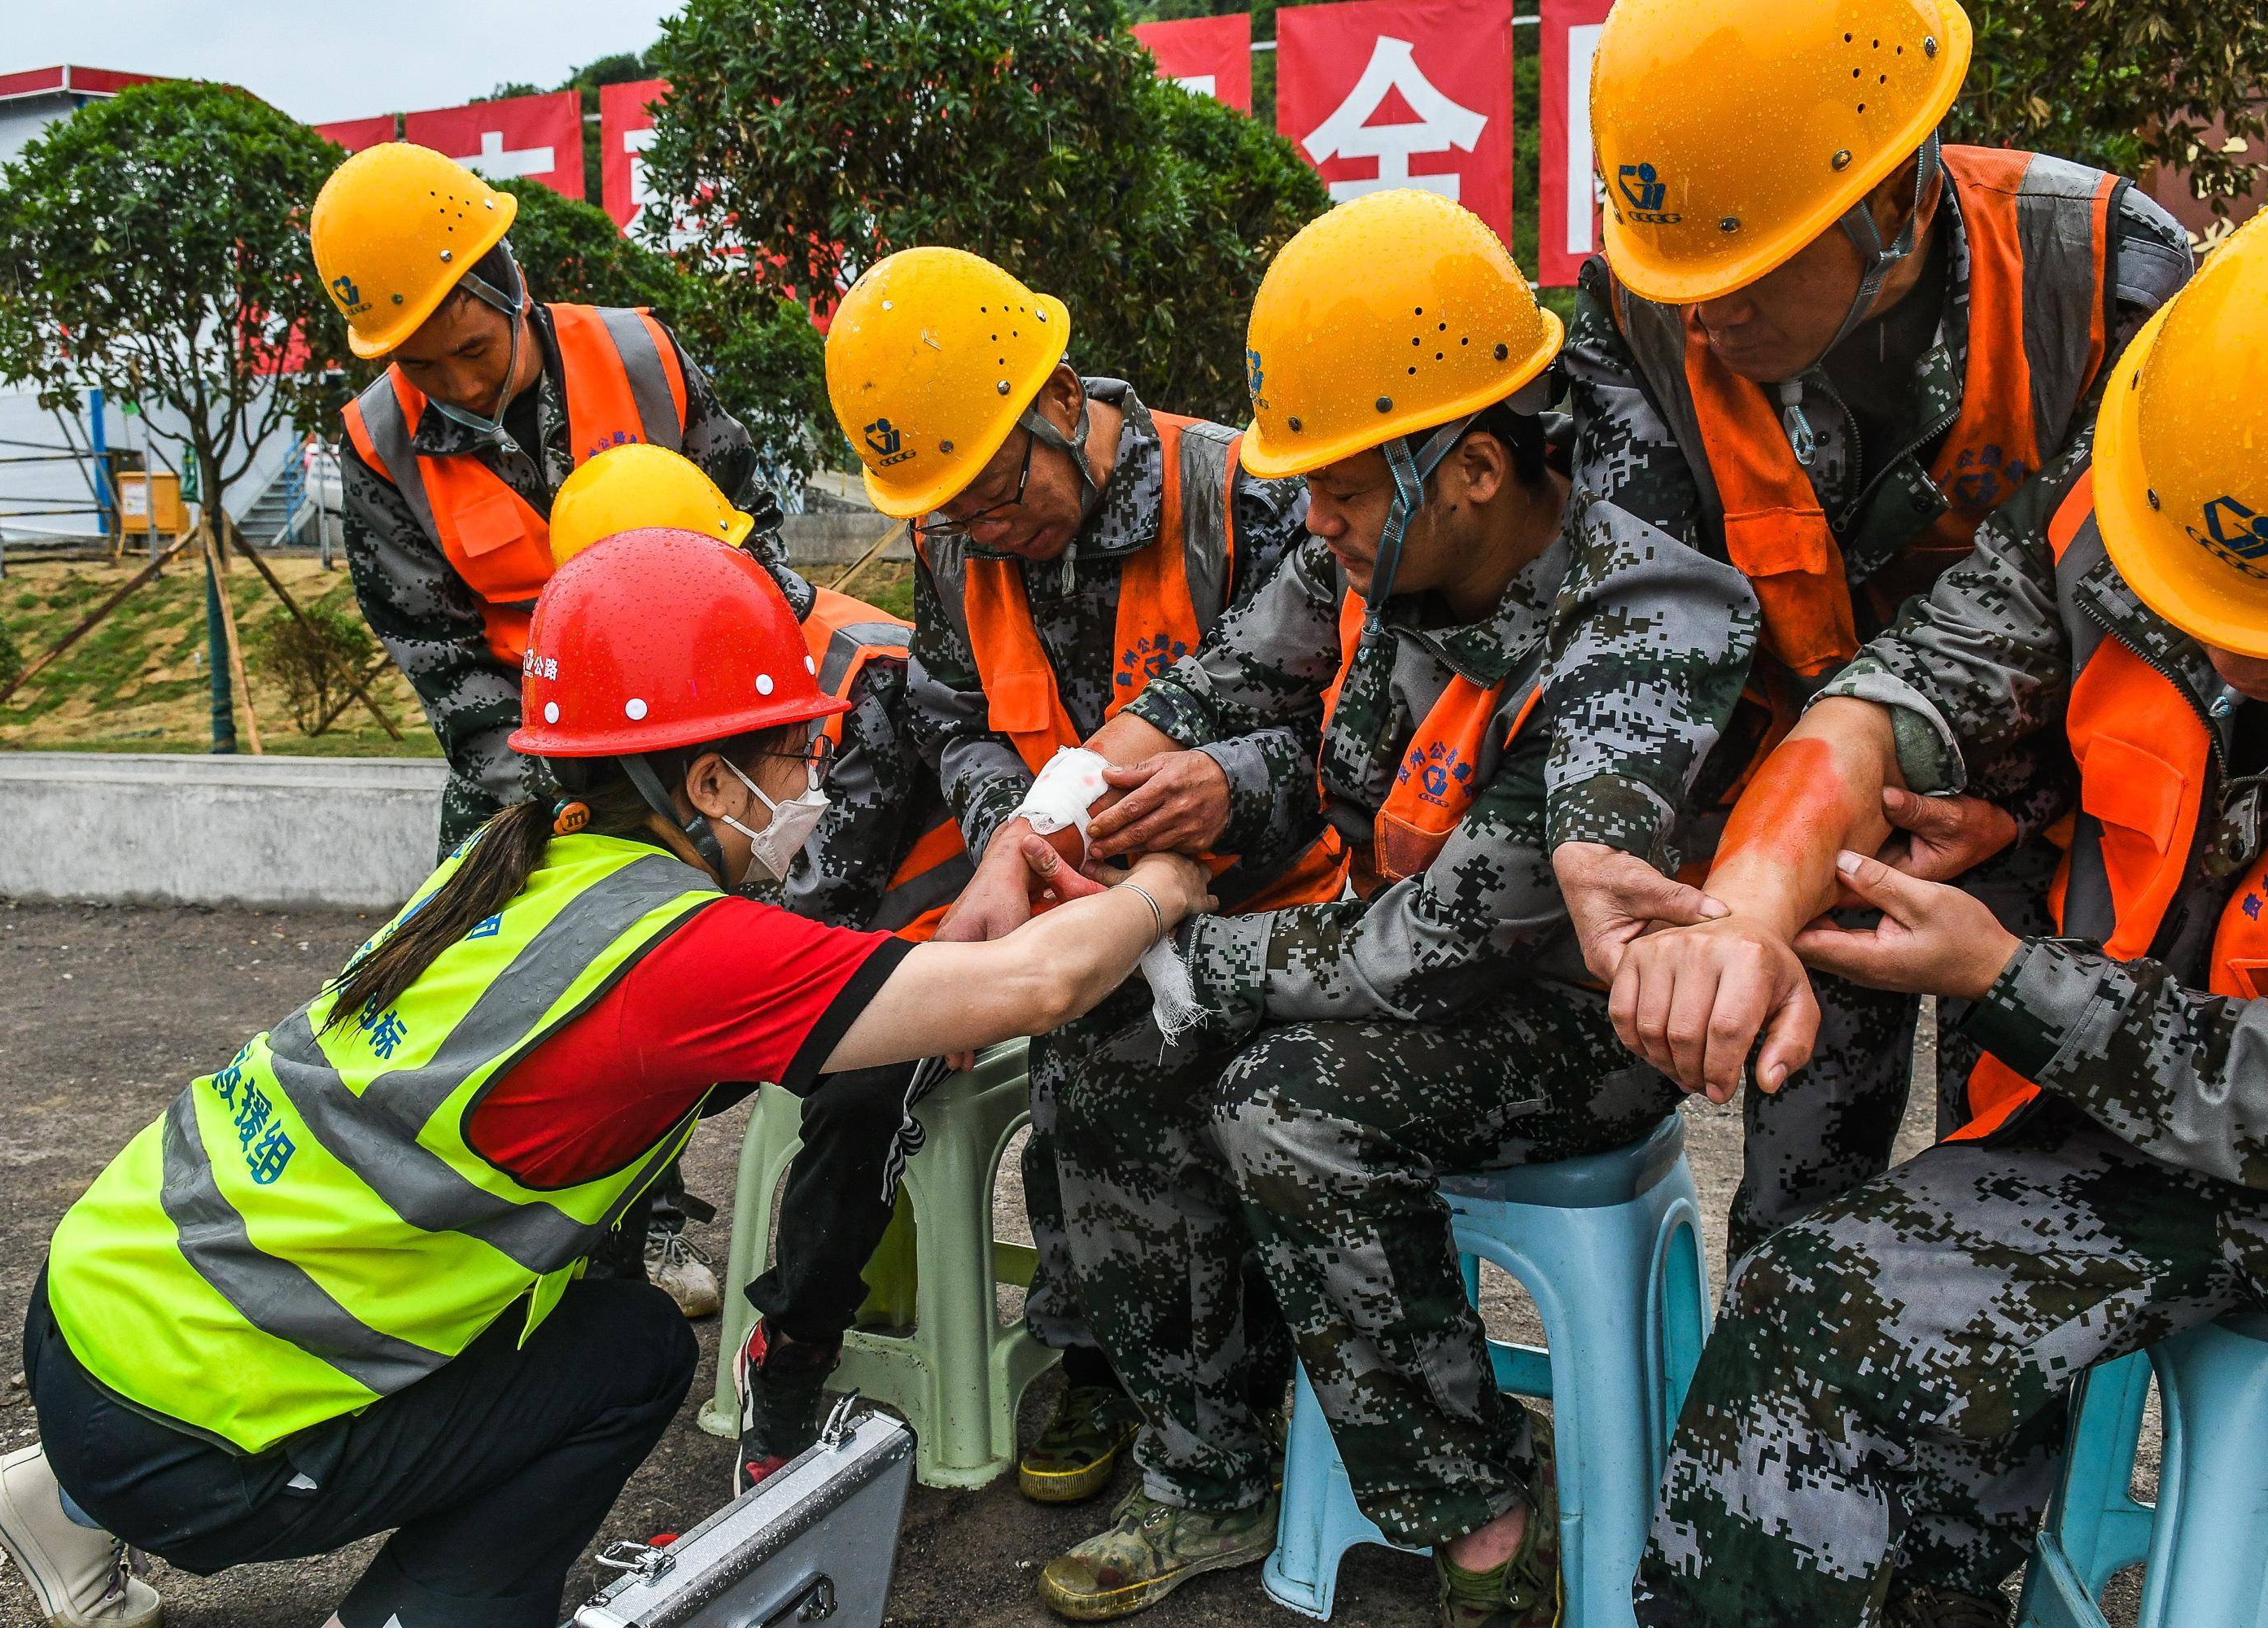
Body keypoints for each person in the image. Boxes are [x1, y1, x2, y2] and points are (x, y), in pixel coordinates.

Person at [0, 528, 1211, 1628]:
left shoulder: (518, 864)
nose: (812, 784)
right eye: (791, 755)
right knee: (624, 1356)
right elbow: (1039, 989)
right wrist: (1168, 884)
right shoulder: (683, 955)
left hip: (93, 1310)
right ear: (706, 785)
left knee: (558, 1314)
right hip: (194, 1437)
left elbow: (863, 997)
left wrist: (990, 869)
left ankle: (58, 1504)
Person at [1612, 190, 2268, 1628]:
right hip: (2132, 1132)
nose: (2222, 657)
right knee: (1813, 1307)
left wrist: (2011, 975)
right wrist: (1745, 909)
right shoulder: (2137, 494)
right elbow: (1897, 694)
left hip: (2258, 1117)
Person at [1025, 192, 1705, 1626]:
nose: (1308, 519)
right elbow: (1217, 690)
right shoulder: (1369, 547)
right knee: (1099, 1047)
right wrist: (1051, 829)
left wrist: (1171, 943)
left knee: (1287, 1101)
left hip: (1581, 1019)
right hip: (1397, 949)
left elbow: (1443, 941)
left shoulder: (1643, 624)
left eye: (1336, 490)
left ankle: (1479, 1518)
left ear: (1466, 470)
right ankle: (1205, 1468)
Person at [1543, 0, 2192, 1254]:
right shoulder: (1642, 308)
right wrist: (1607, 830)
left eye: (1740, 278)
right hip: (1803, 833)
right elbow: (1638, 595)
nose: (1700, 324)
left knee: (2017, 1200)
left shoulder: (2100, 280)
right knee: (1796, 1199)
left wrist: (2029, 804)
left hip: (2060, 832)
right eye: (1674, 281)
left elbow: (2174, 639)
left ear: (1888, 201)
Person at [824, 246, 1344, 1504]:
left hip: (1272, 890)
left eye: (1000, 495)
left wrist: (1228, 785)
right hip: (1073, 892)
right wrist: (1016, 832)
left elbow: (1351, 724)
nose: (988, 533)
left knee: (1133, 1075)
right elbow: (954, 718)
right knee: (1064, 1047)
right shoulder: (952, 538)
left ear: (1059, 400)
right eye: (955, 517)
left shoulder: (1242, 490)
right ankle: (1107, 1354)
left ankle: (1210, 1435)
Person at [315, 142, 806, 1314]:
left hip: (701, 739)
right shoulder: (382, 443)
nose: (458, 385)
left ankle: (652, 1217)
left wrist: (737, 743)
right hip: (522, 762)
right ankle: (533, 1248)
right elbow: (435, 653)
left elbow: (757, 541)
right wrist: (558, 811)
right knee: (514, 1010)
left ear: (512, 284)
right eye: (422, 367)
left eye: (472, 351)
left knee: (689, 986)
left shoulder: (639, 359)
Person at [545, 444, 973, 1487]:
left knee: (860, 1085)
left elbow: (820, 896)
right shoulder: (656, 693)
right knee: (604, 1052)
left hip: (923, 939)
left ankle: (791, 1355)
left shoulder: (855, 671)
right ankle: (568, 1299)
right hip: (781, 938)